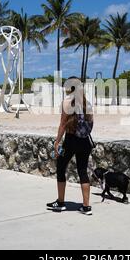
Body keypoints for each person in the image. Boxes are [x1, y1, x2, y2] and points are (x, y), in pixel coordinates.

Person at [47, 77, 94, 215]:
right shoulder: (87, 103)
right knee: (83, 172)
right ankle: (86, 207)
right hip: (85, 141)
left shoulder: (67, 102)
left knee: (61, 168)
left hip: (70, 140)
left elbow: (62, 124)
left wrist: (57, 141)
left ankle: (60, 202)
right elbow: (91, 123)